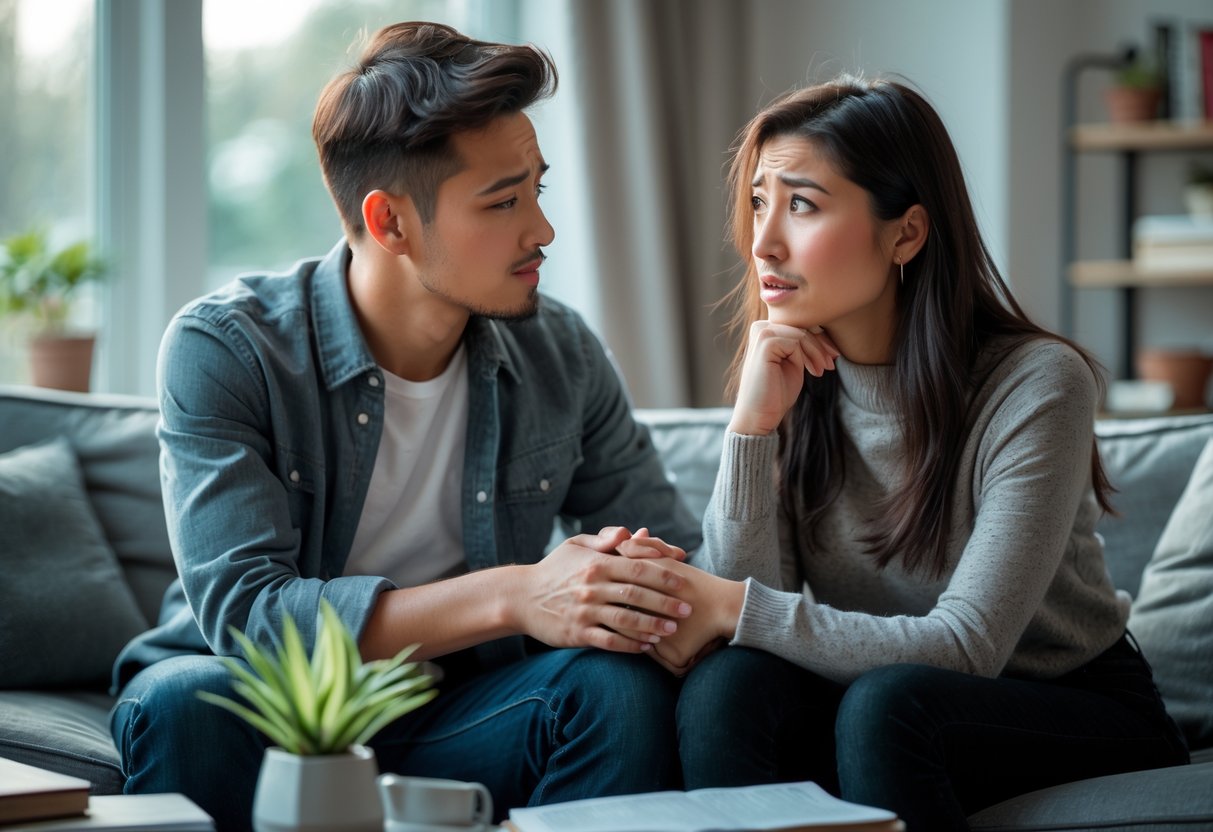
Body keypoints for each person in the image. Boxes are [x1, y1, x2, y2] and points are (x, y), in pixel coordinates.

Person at [109, 21, 701, 832]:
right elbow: (250, 615)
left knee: (615, 693)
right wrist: (518, 594)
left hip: (461, 711)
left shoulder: (557, 350)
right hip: (261, 710)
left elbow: (673, 552)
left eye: (537, 188)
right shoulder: (227, 349)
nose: (542, 231)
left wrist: (635, 581)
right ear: (389, 222)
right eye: (503, 201)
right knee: (185, 701)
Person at [624, 75, 1190, 829]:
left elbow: (967, 647)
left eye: (802, 203)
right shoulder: (791, 379)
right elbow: (737, 619)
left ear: (906, 233)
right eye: (759, 201)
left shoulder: (1036, 383)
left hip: (1069, 701)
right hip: (888, 698)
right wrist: (751, 428)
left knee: (888, 704)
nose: (761, 241)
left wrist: (730, 607)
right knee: (728, 689)